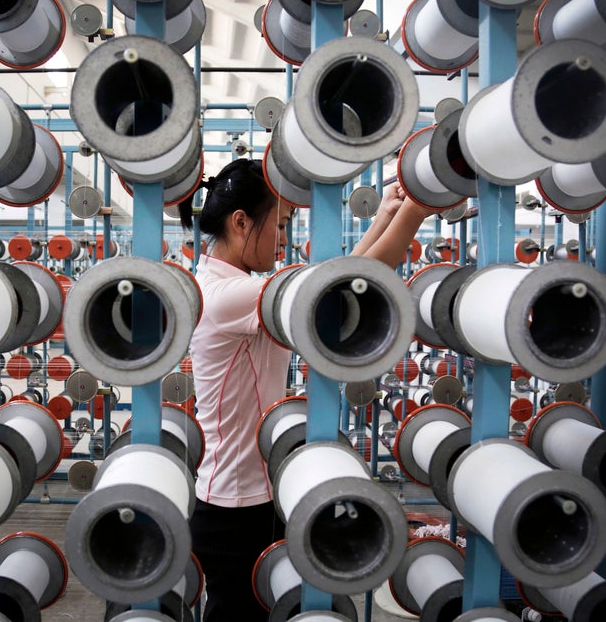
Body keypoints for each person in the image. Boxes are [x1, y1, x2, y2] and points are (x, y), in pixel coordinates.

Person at [177, 158, 431, 620]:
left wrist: (385, 216)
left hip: (257, 492)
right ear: (240, 223)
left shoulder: (230, 284)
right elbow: (337, 291)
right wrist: (415, 211)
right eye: (280, 224)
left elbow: (333, 276)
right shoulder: (228, 296)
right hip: (236, 506)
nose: (283, 238)